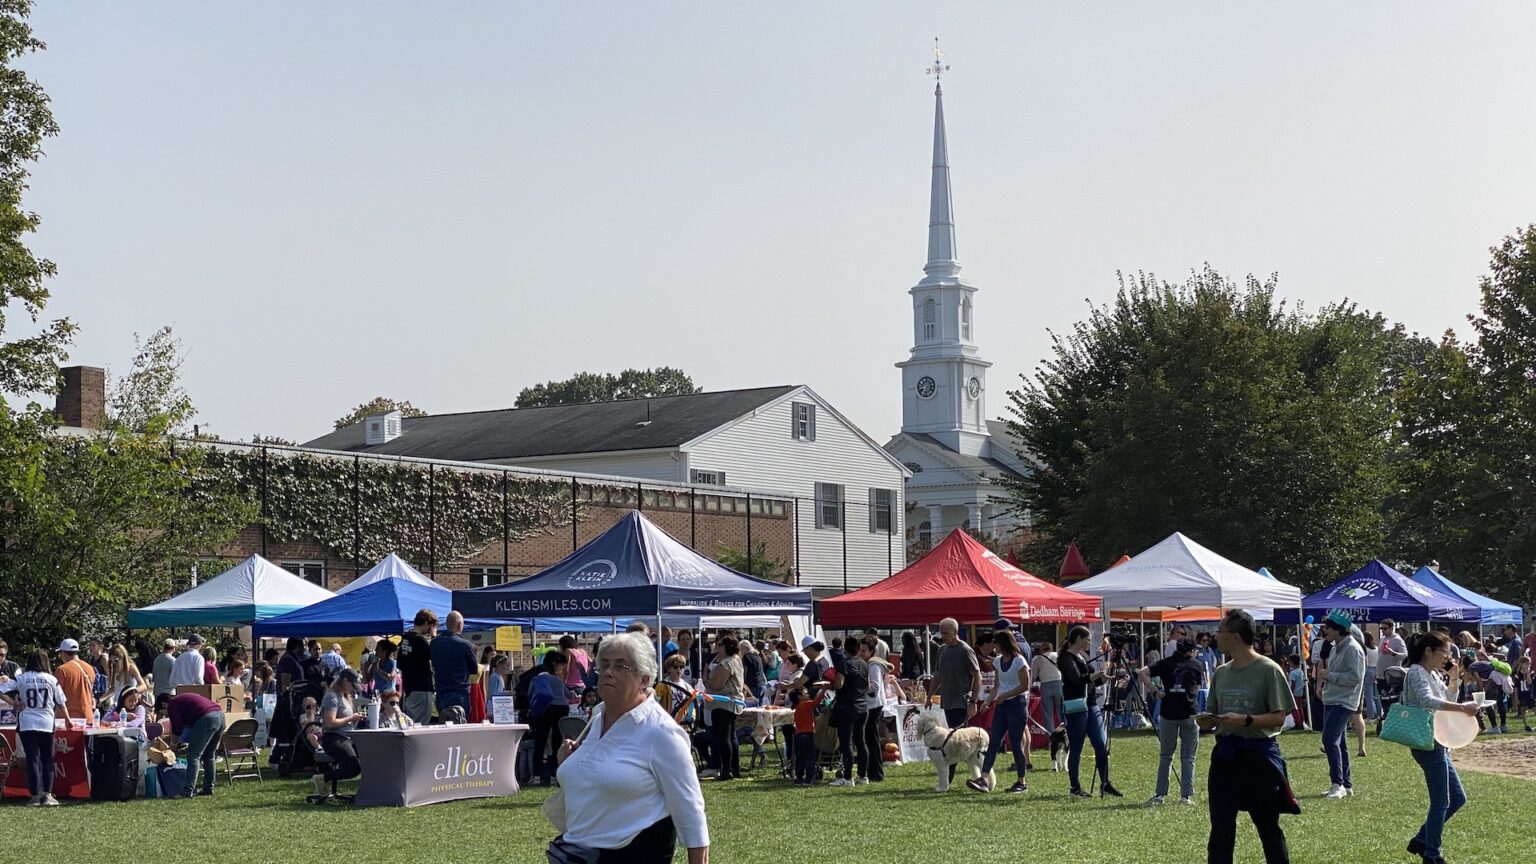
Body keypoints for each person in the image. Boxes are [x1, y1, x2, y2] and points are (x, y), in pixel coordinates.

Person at [550, 631, 709, 863]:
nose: (608, 672)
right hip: (576, 854)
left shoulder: (660, 732)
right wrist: (566, 761)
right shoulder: (596, 718)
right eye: (603, 665)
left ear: (644, 679)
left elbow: (691, 813)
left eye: (620, 666)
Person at [1206, 609, 1299, 864]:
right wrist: (1206, 721)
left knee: (1267, 826)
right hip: (1226, 757)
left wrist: (1247, 720)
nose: (1217, 637)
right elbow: (1213, 713)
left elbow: (1280, 717)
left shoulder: (1269, 669)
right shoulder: (1221, 672)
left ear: (1235, 636)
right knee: (1221, 828)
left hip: (1258, 758)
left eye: (1220, 631)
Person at [1396, 630, 1477, 864]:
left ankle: (1423, 840)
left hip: (1437, 741)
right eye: (1445, 652)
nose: (1448, 657)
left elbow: (1447, 700)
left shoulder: (1431, 674)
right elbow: (1427, 701)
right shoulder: (1417, 672)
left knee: (1458, 798)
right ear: (1429, 651)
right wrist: (1463, 709)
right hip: (1427, 742)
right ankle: (1432, 853)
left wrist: (1453, 679)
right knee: (1441, 801)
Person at [1057, 626, 1120, 798]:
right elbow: (1076, 680)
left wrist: (1101, 680)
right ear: (1078, 638)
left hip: (1091, 705)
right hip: (1076, 706)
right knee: (1077, 746)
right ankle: (1075, 788)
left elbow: (1088, 684)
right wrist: (1095, 676)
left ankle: (1105, 783)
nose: (1090, 642)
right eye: (1087, 639)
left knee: (1100, 744)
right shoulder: (1065, 658)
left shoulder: (1082, 656)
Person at [0, 649, 68, 805]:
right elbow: (61, 701)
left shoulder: (21, 678)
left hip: (27, 722)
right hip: (46, 721)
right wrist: (68, 719)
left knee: (33, 759)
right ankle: (48, 794)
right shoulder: (51, 679)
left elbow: (1, 690)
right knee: (47, 759)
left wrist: (14, 703)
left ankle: (35, 796)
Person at [1141, 637, 1204, 805]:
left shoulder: (1165, 663)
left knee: (1166, 755)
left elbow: (1142, 672)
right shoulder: (1197, 665)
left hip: (1168, 713)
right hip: (1190, 713)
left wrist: (1156, 692)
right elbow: (1198, 687)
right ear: (1191, 651)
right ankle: (1186, 796)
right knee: (1188, 757)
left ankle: (1160, 795)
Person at [969, 628, 1031, 794]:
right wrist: (988, 701)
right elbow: (997, 685)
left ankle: (1021, 781)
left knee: (1016, 744)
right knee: (994, 740)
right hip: (1002, 705)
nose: (993, 646)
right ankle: (983, 778)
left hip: (1017, 704)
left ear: (1002, 643)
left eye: (995, 643)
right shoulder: (997, 661)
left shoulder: (1019, 661)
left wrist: (1006, 695)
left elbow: (1025, 685)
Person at [1318, 610, 1365, 799]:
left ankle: (1337, 784)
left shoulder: (1353, 649)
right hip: (1333, 699)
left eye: (1328, 627)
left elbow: (1355, 677)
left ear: (1338, 629)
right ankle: (1346, 784)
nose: (1324, 630)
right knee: (1340, 743)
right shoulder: (1336, 646)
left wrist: (1329, 676)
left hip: (1344, 701)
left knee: (1329, 740)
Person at [931, 618, 981, 785]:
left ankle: (954, 779)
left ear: (955, 632)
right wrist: (930, 694)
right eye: (941, 632)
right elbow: (937, 675)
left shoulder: (965, 650)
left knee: (955, 742)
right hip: (947, 702)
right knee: (951, 742)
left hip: (962, 702)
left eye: (946, 633)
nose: (943, 636)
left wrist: (973, 701)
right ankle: (959, 778)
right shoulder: (942, 650)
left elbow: (977, 675)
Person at [314, 668, 366, 796]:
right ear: (345, 681)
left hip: (347, 738)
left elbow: (346, 722)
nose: (353, 689)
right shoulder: (332, 697)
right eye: (352, 685)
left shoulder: (345, 697)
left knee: (368, 756)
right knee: (354, 769)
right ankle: (323, 778)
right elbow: (330, 723)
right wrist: (351, 718)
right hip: (334, 738)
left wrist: (355, 720)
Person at [166, 690, 225, 797]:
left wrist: (173, 746)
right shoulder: (184, 698)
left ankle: (188, 791)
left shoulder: (172, 705)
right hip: (220, 716)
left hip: (207, 719)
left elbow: (177, 728)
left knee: (193, 755)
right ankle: (208, 788)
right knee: (209, 755)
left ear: (163, 705)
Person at [704, 634, 745, 782]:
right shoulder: (736, 660)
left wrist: (706, 679)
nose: (716, 646)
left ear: (724, 646)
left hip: (723, 703)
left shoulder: (725, 664)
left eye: (719, 644)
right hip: (732, 703)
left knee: (723, 737)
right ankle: (735, 768)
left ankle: (726, 769)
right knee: (731, 736)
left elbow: (717, 685)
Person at [530, 651, 571, 786]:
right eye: (560, 666)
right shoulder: (557, 679)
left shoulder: (539, 677)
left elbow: (531, 693)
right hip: (562, 708)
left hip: (545, 708)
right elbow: (568, 695)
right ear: (554, 664)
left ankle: (536, 775)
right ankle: (554, 775)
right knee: (556, 743)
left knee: (540, 741)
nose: (561, 669)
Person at [430, 611, 478, 718]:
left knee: (444, 723)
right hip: (460, 692)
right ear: (460, 625)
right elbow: (474, 669)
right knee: (461, 724)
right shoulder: (466, 645)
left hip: (441, 692)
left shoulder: (434, 643)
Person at [860, 637, 893, 783]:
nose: (861, 653)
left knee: (871, 739)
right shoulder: (869, 663)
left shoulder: (873, 665)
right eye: (860, 650)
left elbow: (875, 686)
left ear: (871, 651)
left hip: (874, 705)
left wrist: (859, 689)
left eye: (864, 651)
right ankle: (873, 771)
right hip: (872, 704)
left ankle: (876, 773)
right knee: (870, 739)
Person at [398, 609, 437, 724]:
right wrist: (434, 637)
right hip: (422, 687)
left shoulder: (405, 639)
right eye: (431, 626)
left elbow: (400, 663)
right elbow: (433, 657)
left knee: (411, 722)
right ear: (426, 623)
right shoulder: (420, 641)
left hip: (409, 688)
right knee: (422, 723)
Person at [53, 638, 96, 721]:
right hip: (87, 718)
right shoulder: (90, 668)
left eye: (60, 653)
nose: (60, 656)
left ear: (64, 653)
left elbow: (56, 695)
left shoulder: (62, 670)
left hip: (68, 720)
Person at [1032, 640, 1064, 732]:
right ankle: (1066, 735)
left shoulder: (1037, 658)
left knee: (1048, 714)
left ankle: (1051, 738)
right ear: (1051, 648)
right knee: (1061, 712)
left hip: (1045, 684)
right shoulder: (1057, 655)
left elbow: (1034, 675)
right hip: (1058, 683)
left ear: (1042, 649)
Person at [790, 687, 818, 787]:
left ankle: (799, 778)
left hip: (798, 735)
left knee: (800, 758)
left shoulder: (796, 707)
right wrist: (823, 690)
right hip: (807, 735)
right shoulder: (805, 704)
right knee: (810, 757)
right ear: (799, 697)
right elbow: (817, 702)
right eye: (805, 693)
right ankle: (809, 779)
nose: (808, 694)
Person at [485, 653, 511, 718]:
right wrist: (508, 693)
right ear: (499, 665)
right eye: (506, 665)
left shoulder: (499, 676)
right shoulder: (494, 677)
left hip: (498, 707)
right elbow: (493, 694)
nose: (507, 667)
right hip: (493, 708)